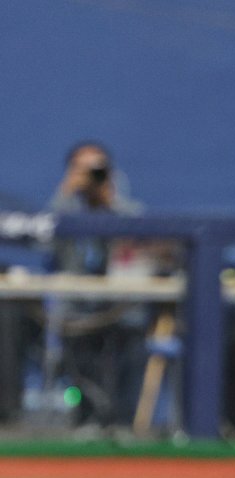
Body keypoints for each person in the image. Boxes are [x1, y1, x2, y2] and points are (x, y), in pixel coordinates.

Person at [49, 142, 173, 428]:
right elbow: (46, 237)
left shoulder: (126, 211)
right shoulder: (64, 211)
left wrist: (109, 203)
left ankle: (124, 423)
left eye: (97, 170)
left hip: (121, 309)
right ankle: (84, 420)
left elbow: (154, 245)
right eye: (83, 169)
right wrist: (67, 192)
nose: (91, 177)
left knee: (131, 335)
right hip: (78, 310)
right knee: (77, 342)